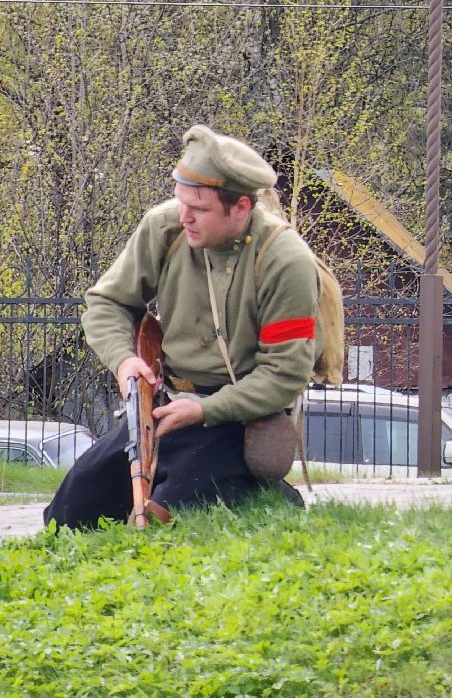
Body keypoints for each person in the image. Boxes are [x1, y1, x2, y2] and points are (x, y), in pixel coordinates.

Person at [45, 125, 319, 529]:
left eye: (200, 208)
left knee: (167, 509)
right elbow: (107, 302)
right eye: (181, 200)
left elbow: (285, 373)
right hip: (165, 404)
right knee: (70, 513)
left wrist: (206, 409)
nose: (184, 215)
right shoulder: (164, 227)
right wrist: (123, 362)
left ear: (241, 207)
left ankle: (266, 492)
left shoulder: (285, 260)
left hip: (238, 415)